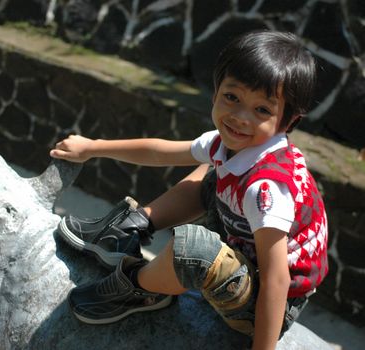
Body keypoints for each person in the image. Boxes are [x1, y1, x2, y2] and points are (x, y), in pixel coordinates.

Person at [49, 30, 328, 349]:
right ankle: (129, 228)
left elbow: (277, 280)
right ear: (216, 92)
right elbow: (158, 151)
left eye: (262, 110)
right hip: (244, 245)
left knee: (193, 249)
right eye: (231, 97)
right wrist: (93, 147)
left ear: (288, 122)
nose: (239, 117)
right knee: (213, 169)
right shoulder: (233, 147)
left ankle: (137, 289)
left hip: (267, 298)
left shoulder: (266, 189)